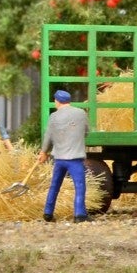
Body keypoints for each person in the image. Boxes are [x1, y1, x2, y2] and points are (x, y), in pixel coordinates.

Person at [37, 90, 90, 223]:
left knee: (54, 185)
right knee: (79, 186)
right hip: (75, 159)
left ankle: (48, 212)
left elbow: (48, 137)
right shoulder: (81, 113)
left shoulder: (53, 117)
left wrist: (43, 152)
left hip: (59, 158)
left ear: (57, 101)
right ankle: (79, 214)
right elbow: (86, 132)